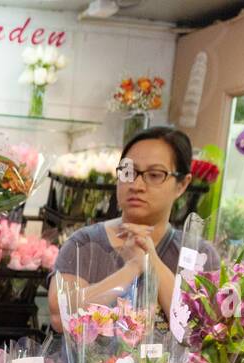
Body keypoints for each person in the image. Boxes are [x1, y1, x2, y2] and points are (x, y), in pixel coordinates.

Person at [49, 126, 218, 328]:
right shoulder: (85, 243)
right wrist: (132, 268)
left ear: (182, 185)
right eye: (128, 172)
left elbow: (199, 328)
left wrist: (151, 261)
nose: (136, 185)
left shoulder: (199, 254)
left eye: (154, 175)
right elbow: (60, 317)